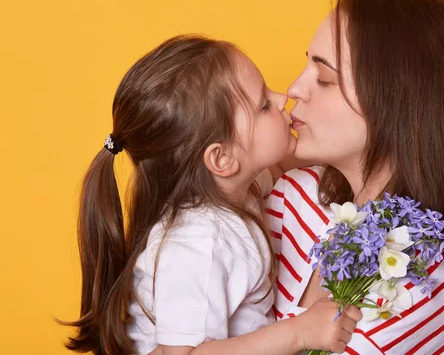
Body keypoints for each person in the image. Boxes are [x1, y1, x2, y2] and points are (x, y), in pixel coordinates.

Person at [267, 0, 444, 354]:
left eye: (325, 79)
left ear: (398, 107)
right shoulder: (291, 196)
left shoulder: (430, 290)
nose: (294, 88)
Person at [61, 35, 361, 355]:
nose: (282, 96)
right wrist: (299, 333)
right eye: (263, 104)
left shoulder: (242, 183)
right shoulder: (201, 242)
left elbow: (303, 160)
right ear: (221, 160)